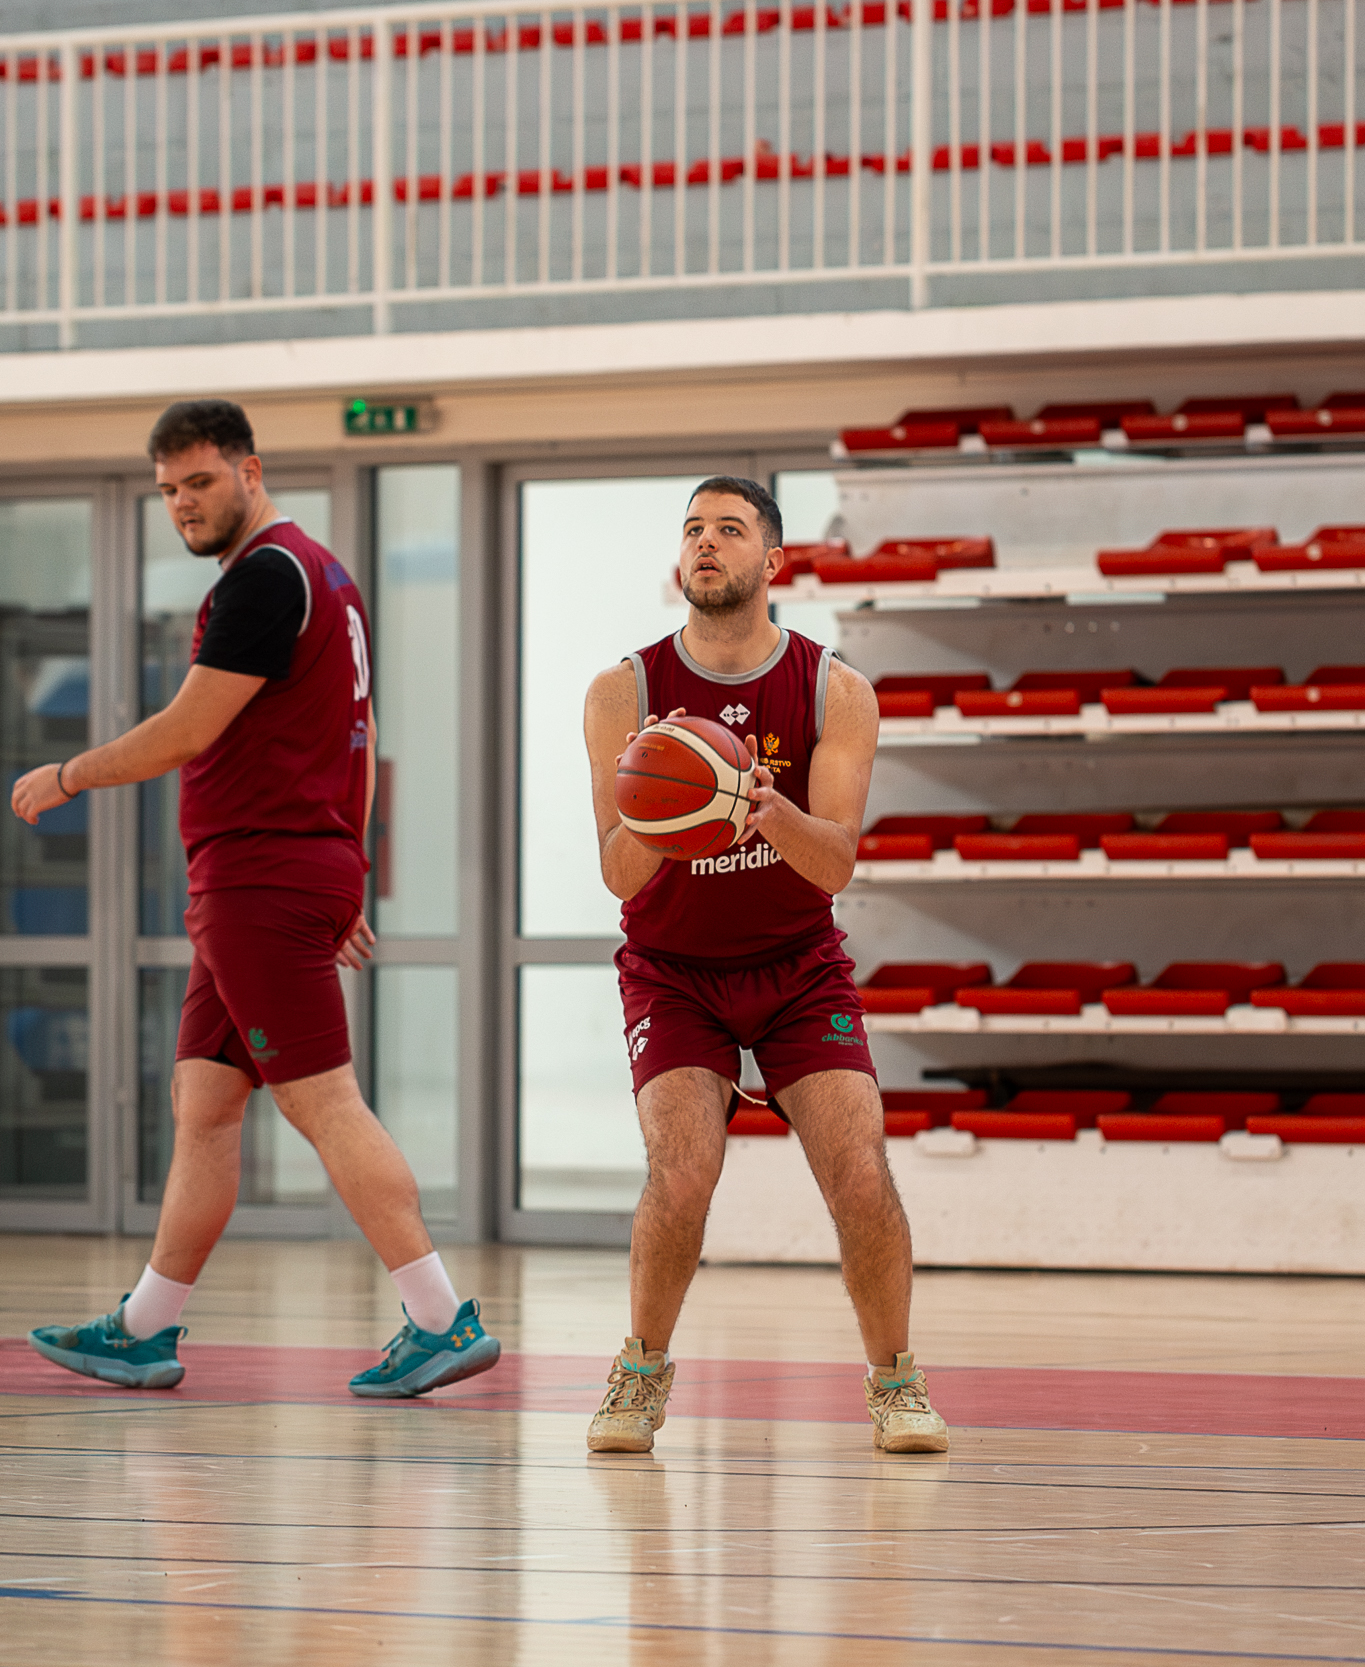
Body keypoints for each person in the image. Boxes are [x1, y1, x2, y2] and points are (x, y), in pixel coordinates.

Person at [13, 398, 496, 1401]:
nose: (183, 504)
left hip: (259, 877)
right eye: (168, 491)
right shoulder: (326, 575)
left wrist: (68, 774)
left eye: (199, 481)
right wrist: (347, 865)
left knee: (323, 1101)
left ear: (251, 470)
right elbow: (364, 733)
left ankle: (439, 1315)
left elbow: (188, 728)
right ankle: (144, 1328)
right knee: (205, 1102)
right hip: (284, 869)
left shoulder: (265, 579)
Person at [581, 476, 947, 1456]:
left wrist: (759, 804)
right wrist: (673, 802)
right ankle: (640, 1373)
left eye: (729, 529)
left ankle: (897, 1383)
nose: (705, 543)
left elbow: (834, 864)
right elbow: (618, 872)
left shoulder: (836, 689)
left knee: (859, 1173)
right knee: (682, 1174)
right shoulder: (625, 692)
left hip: (796, 965)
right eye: (692, 529)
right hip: (672, 970)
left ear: (773, 561)